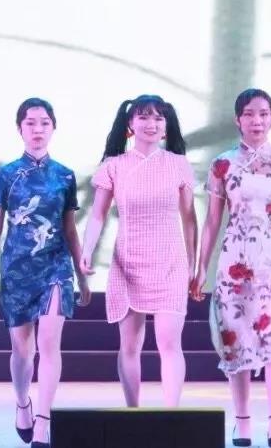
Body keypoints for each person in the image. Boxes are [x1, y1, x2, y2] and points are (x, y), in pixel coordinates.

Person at [0, 97, 92, 448]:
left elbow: (70, 229)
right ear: (19, 128)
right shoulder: (7, 174)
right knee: (22, 352)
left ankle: (43, 421)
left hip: (55, 266)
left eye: (44, 123)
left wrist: (82, 275)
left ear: (54, 128)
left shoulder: (65, 175)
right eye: (30, 123)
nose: (38, 129)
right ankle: (22, 402)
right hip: (17, 269)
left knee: (49, 344)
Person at [192, 89, 271, 448]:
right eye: (250, 114)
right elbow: (212, 221)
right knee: (234, 338)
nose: (257, 120)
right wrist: (200, 267)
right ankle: (241, 421)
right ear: (238, 119)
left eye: (264, 114)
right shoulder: (222, 164)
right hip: (235, 259)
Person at [80, 94, 198, 408]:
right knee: (130, 345)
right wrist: (87, 249)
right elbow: (97, 215)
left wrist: (194, 263)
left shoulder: (179, 164)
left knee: (170, 343)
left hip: (170, 262)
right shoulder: (114, 166)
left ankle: (171, 416)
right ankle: (133, 412)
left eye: (158, 118)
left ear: (166, 126)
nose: (151, 124)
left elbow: (189, 219)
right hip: (128, 262)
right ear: (130, 124)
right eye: (144, 117)